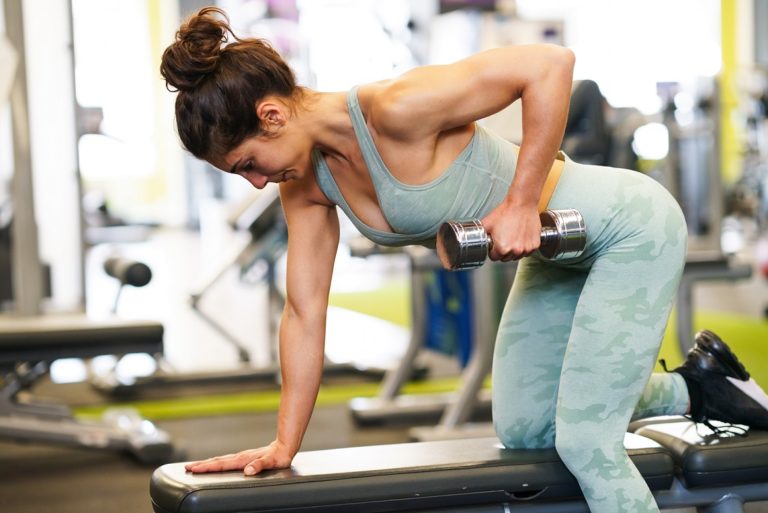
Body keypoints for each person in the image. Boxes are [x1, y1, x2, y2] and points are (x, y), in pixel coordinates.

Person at [160, 7, 768, 513]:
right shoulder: (308, 184)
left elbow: (549, 65)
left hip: (629, 228)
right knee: (527, 430)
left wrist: (523, 202)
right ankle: (697, 386)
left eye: (247, 165)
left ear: (271, 116)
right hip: (558, 259)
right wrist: (283, 443)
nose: (256, 185)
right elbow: (303, 310)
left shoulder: (394, 108)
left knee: (587, 442)